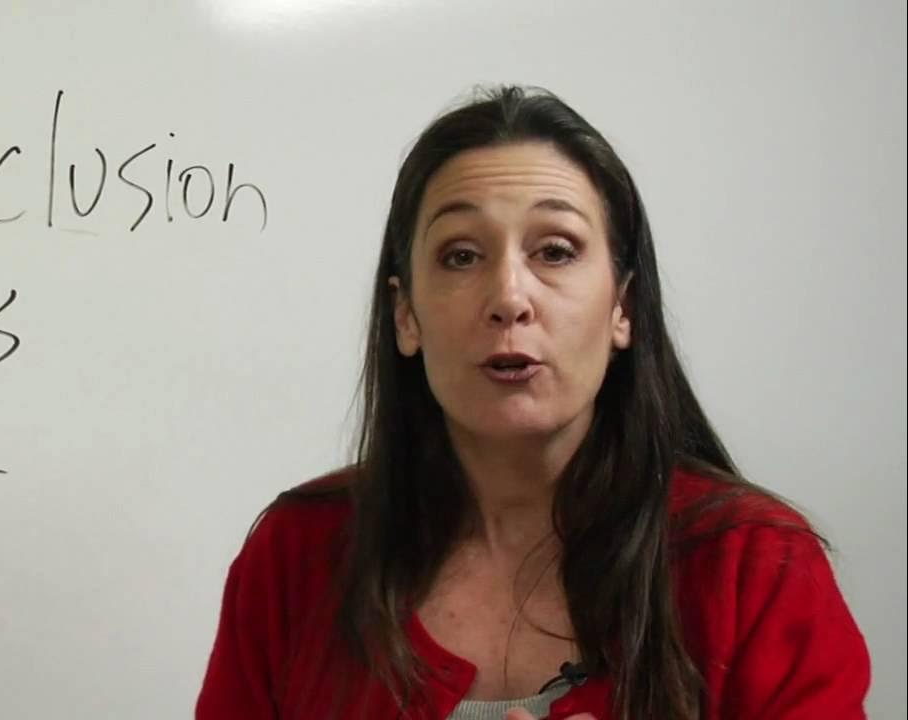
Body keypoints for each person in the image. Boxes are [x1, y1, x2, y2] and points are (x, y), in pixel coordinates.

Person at [194, 85, 870, 720]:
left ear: (624, 307)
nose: (509, 297)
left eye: (555, 251)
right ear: (406, 315)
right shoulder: (295, 557)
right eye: (462, 256)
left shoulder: (756, 567)